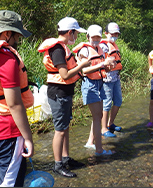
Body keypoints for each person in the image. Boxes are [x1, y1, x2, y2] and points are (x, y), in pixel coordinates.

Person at [38, 17, 91, 177]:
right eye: (75, 33)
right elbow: (65, 74)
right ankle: (57, 164)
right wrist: (81, 66)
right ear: (70, 32)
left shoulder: (63, 48)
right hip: (58, 93)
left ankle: (66, 159)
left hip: (65, 93)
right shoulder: (58, 50)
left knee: (65, 126)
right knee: (60, 130)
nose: (76, 36)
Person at [0, 10, 34, 187]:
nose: (18, 41)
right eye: (17, 36)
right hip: (8, 130)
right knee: (10, 182)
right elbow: (13, 103)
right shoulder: (6, 57)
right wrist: (28, 137)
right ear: (7, 34)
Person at [73, 24, 115, 155]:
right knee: (97, 116)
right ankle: (99, 150)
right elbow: (84, 70)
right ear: (88, 37)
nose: (96, 39)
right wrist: (103, 64)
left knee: (99, 116)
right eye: (93, 37)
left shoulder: (100, 49)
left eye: (98, 36)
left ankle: (90, 142)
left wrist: (108, 66)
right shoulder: (84, 51)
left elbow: (103, 67)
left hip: (100, 83)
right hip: (90, 84)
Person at [99, 22, 123, 137]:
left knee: (118, 101)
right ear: (106, 33)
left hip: (116, 77)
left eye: (116, 34)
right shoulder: (103, 46)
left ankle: (110, 123)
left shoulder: (114, 45)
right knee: (107, 104)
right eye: (112, 34)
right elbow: (100, 62)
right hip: (107, 79)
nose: (114, 36)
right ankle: (103, 129)